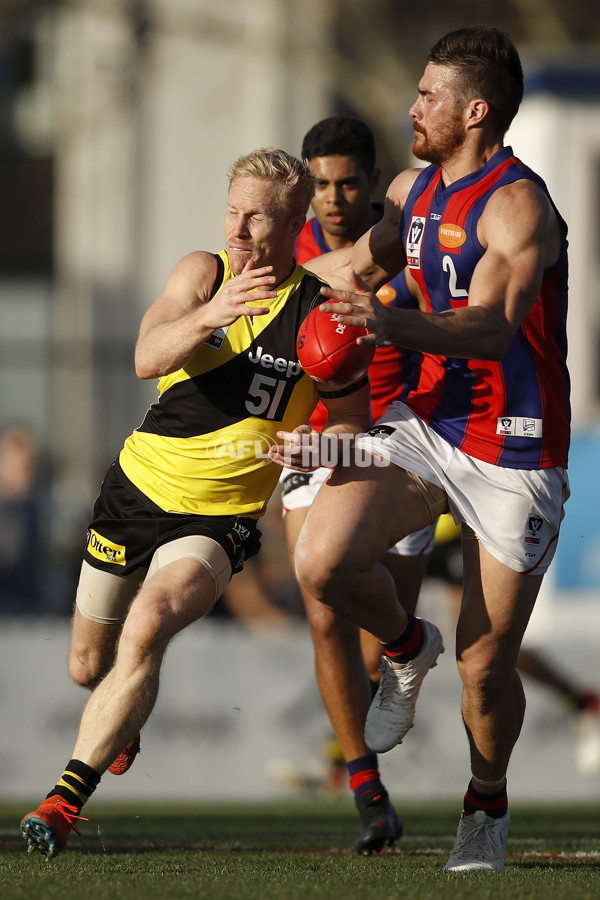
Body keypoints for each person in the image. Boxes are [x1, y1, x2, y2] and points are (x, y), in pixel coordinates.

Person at [20, 147, 371, 860]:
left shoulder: (319, 314)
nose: (238, 229)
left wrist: (319, 449)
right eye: (232, 212)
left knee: (148, 625)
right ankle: (122, 713)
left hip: (218, 521)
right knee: (89, 666)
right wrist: (212, 313)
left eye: (257, 218)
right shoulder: (201, 272)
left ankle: (62, 802)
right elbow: (149, 356)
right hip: (136, 490)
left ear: (295, 223)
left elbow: (353, 427)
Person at [286, 26, 570, 872]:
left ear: (474, 110)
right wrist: (244, 294)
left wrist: (388, 321)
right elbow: (351, 268)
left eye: (427, 95)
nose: (411, 107)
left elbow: (488, 328)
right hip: (427, 424)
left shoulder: (521, 206)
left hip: (515, 450)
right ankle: (408, 648)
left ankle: (486, 799)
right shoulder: (411, 190)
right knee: (322, 561)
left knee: (486, 671)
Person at [279, 116, 435, 854]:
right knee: (321, 608)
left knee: (384, 633)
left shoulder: (410, 248)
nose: (333, 198)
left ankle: (402, 658)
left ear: (374, 182)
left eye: (347, 182)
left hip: (395, 441)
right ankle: (366, 790)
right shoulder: (293, 252)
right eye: (319, 184)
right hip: (317, 438)